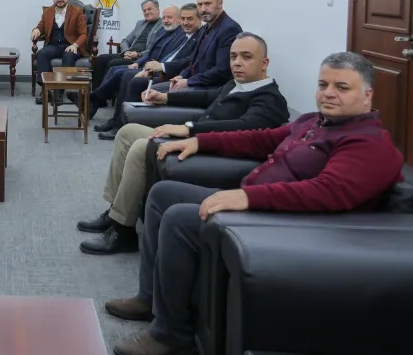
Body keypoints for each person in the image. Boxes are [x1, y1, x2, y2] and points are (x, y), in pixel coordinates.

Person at [104, 52, 403, 355]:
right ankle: (150, 298)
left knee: (180, 218)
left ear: (367, 95)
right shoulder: (313, 121)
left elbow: (327, 192)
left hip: (290, 225)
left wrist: (247, 197)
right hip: (260, 206)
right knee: (163, 194)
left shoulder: (369, 143)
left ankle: (171, 334)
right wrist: (199, 140)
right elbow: (260, 139)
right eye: (323, 84)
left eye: (342, 87)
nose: (328, 93)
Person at [78, 33, 289, 255]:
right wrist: (166, 97)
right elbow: (206, 96)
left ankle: (123, 231)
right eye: (233, 56)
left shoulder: (270, 99)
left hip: (213, 153)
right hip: (194, 141)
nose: (237, 62)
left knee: (141, 146)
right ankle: (114, 212)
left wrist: (189, 128)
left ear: (264, 63)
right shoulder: (235, 84)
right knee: (127, 132)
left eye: (246, 57)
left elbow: (243, 128)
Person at [94, 4, 201, 135]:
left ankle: (119, 123)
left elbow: (187, 61)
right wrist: (148, 66)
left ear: (199, 19)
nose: (185, 22)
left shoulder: (196, 36)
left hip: (171, 75)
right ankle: (114, 119)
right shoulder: (179, 34)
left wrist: (159, 67)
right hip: (157, 68)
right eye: (183, 19)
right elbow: (158, 54)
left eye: (189, 19)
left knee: (130, 77)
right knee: (119, 70)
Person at [151, 0, 241, 93]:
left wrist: (189, 81)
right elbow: (194, 62)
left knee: (152, 93)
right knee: (150, 90)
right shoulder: (205, 28)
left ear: (220, 3)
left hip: (213, 88)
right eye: (200, 4)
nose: (203, 9)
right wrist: (181, 76)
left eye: (208, 4)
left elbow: (222, 71)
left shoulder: (229, 29)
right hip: (196, 82)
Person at [32, 0, 88, 105]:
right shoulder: (48, 12)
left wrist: (75, 45)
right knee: (42, 53)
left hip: (70, 45)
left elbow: (83, 34)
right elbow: (40, 26)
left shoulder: (77, 12)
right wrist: (36, 30)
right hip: (53, 45)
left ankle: (60, 91)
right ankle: (45, 90)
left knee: (68, 55)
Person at [94, 0, 162, 87]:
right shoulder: (140, 23)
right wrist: (126, 51)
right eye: (144, 10)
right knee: (101, 59)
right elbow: (125, 41)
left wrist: (138, 54)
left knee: (113, 63)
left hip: (141, 58)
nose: (146, 12)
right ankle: (95, 89)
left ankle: (104, 92)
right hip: (129, 54)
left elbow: (155, 49)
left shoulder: (162, 26)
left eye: (149, 9)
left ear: (157, 10)